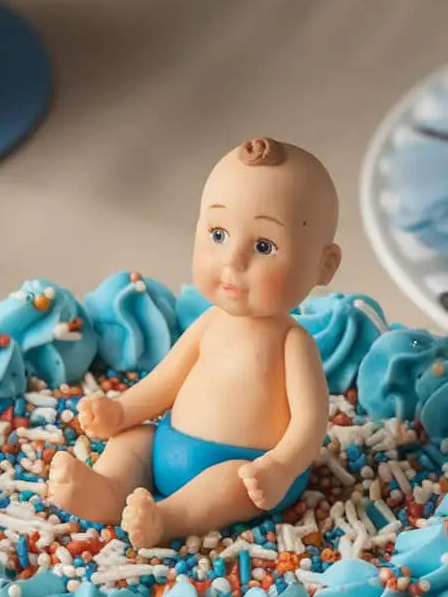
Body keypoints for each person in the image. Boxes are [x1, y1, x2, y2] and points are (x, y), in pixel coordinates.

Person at [48, 136, 340, 548]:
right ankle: (107, 491)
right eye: (218, 234)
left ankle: (167, 519)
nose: (233, 261)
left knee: (229, 484)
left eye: (263, 246)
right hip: (170, 442)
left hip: (249, 470)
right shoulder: (208, 323)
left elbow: (309, 425)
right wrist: (119, 410)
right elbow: (165, 381)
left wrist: (279, 467)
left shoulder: (293, 343)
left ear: (324, 265)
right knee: (133, 440)